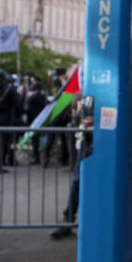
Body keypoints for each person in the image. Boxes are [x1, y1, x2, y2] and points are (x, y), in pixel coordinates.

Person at [50, 99, 93, 239]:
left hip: (102, 143)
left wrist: (97, 120)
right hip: (85, 142)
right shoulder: (85, 95)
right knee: (77, 183)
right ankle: (68, 220)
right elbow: (76, 120)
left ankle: (92, 223)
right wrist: (78, 112)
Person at [24, 81, 48, 165]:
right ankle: (45, 157)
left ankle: (37, 157)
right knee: (44, 139)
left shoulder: (31, 98)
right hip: (43, 121)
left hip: (33, 122)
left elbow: (27, 110)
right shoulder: (44, 98)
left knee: (35, 141)